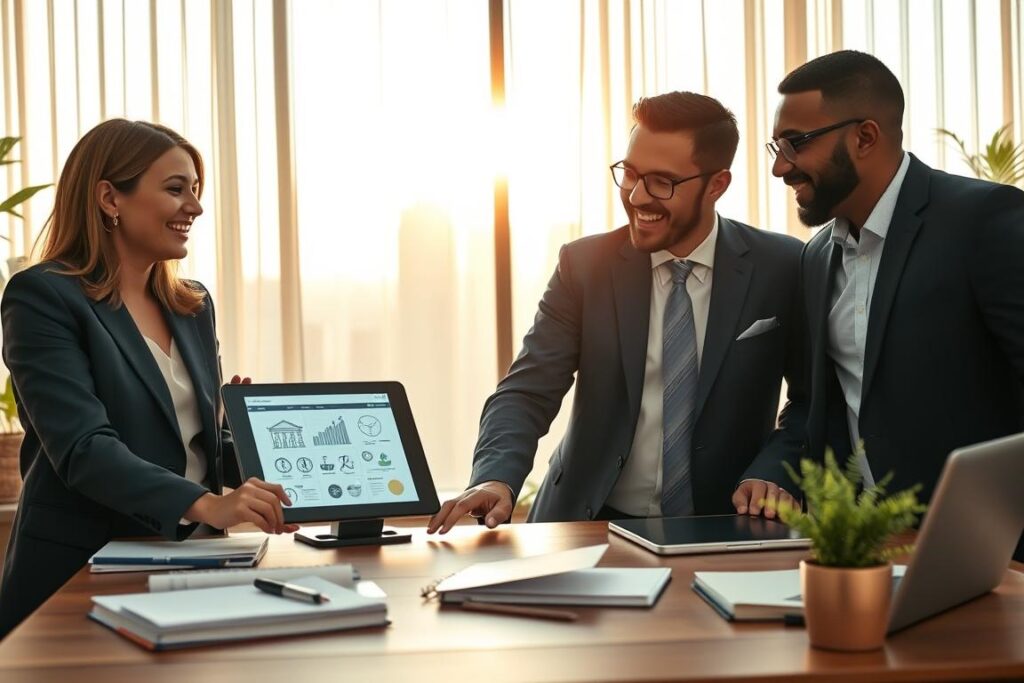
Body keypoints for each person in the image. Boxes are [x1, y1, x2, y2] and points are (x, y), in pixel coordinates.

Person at [428, 91, 806, 533]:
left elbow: (811, 402)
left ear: (717, 185)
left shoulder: (782, 266)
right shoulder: (584, 266)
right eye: (630, 173)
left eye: (662, 182)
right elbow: (529, 388)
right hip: (586, 522)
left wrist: (773, 470)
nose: (637, 196)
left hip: (722, 523)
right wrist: (496, 475)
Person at [0, 119, 299, 639]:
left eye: (196, 191)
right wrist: (207, 503)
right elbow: (84, 449)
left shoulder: (192, 306)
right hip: (83, 574)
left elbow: (194, 447)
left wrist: (252, 450)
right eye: (175, 189)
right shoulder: (42, 297)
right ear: (110, 198)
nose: (196, 207)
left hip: (199, 565)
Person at [763, 50, 1024, 559]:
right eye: (776, 146)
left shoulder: (984, 221)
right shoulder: (815, 258)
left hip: (991, 554)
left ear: (865, 137)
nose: (780, 166)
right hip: (860, 548)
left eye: (796, 144)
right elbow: (818, 407)